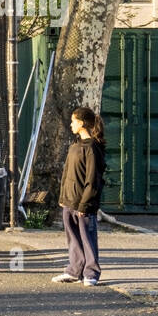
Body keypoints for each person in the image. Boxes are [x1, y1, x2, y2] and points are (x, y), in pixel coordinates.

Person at [52, 106, 107, 287]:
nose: (71, 124)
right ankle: (74, 270)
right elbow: (67, 173)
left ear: (82, 123)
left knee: (87, 237)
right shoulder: (75, 146)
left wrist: (85, 205)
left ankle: (91, 273)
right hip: (69, 201)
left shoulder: (92, 148)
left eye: (74, 121)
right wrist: (63, 197)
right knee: (73, 238)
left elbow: (93, 179)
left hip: (84, 204)